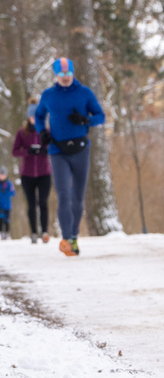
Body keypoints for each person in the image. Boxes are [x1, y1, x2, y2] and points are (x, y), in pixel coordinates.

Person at [34, 57, 106, 256]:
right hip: (57, 151)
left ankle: (74, 236)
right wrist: (42, 132)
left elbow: (101, 116)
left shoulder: (84, 93)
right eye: (61, 74)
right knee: (64, 195)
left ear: (73, 73)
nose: (65, 78)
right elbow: (39, 116)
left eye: (68, 74)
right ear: (55, 75)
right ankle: (66, 239)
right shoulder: (48, 95)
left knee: (77, 198)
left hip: (81, 150)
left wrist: (86, 120)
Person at [12, 97, 53, 243]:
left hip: (44, 173)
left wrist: (44, 150)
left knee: (43, 202)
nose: (34, 119)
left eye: (36, 116)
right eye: (31, 116)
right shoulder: (22, 133)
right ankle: (34, 232)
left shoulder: (47, 131)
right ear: (28, 117)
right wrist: (28, 152)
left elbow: (53, 147)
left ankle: (45, 231)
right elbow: (15, 151)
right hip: (27, 174)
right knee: (31, 204)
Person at [0, 165, 15, 240]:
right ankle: (1, 233)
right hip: (0, 206)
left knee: (7, 220)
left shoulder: (9, 184)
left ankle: (7, 233)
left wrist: (6, 191)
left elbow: (13, 193)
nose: (2, 176)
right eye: (1, 175)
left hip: (8, 206)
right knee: (1, 219)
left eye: (3, 175)